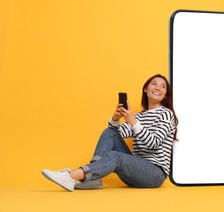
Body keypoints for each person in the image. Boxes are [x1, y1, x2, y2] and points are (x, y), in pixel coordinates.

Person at [42, 74, 178, 191]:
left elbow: (153, 143)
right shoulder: (139, 116)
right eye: (154, 84)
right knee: (109, 132)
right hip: (135, 170)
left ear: (165, 94)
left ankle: (72, 175)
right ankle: (92, 179)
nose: (158, 88)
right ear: (145, 89)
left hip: (154, 174)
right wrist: (115, 118)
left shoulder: (166, 115)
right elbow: (115, 133)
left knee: (115, 157)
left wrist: (133, 122)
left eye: (163, 86)